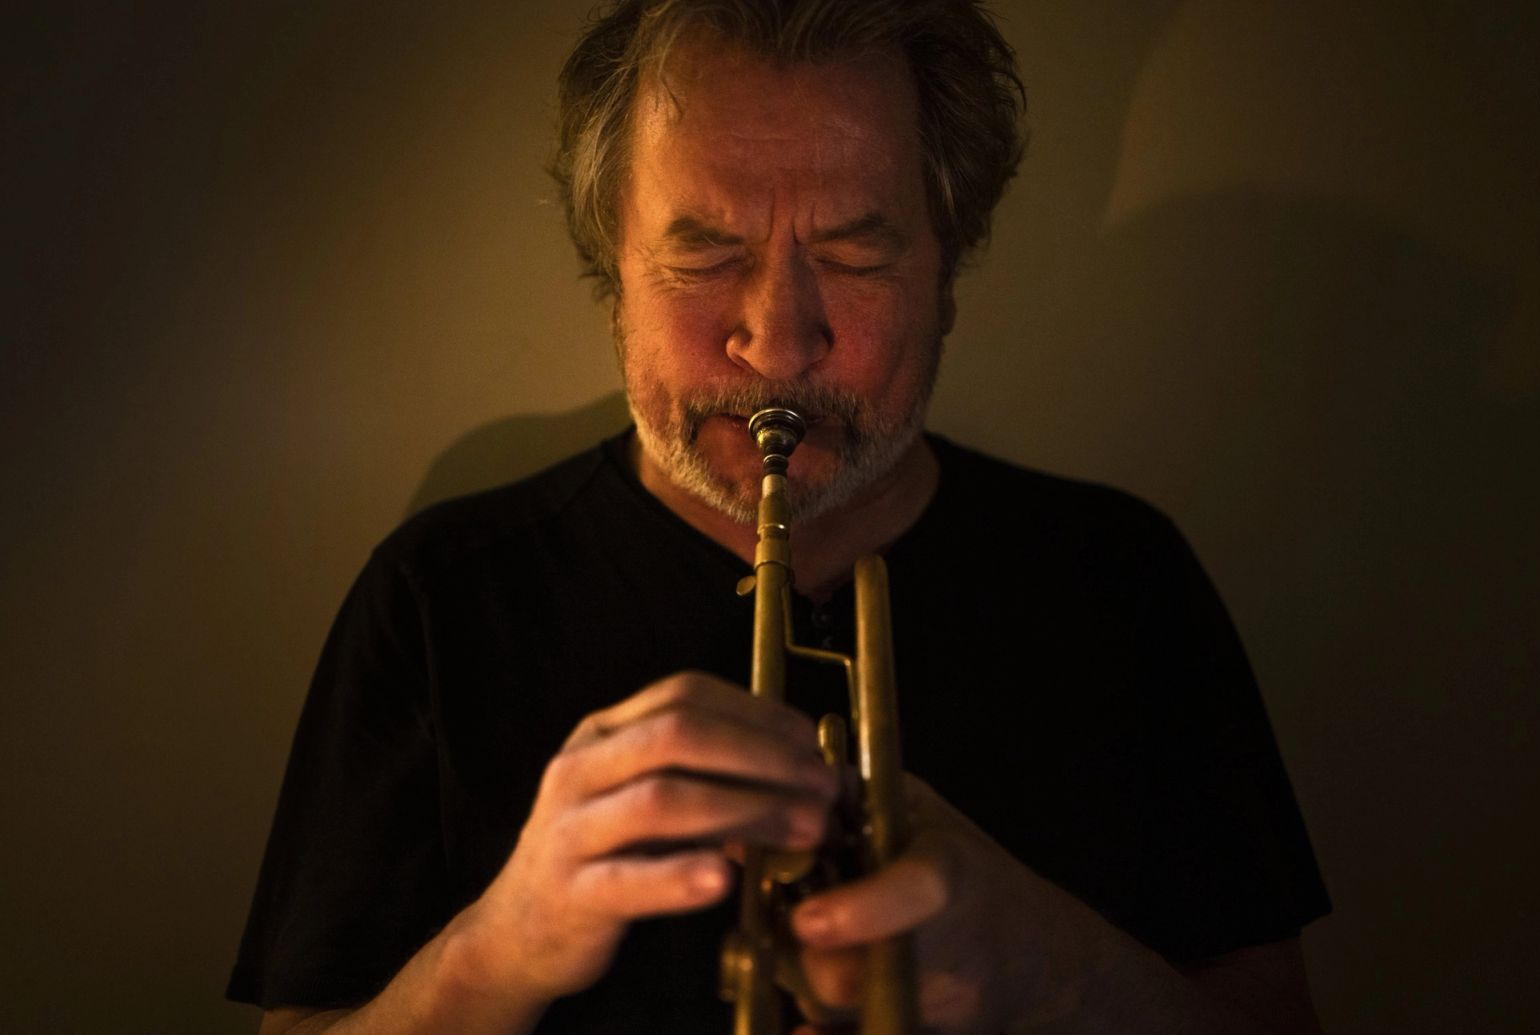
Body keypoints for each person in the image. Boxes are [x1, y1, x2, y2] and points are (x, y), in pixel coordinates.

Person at [229, 1, 1330, 1032]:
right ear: (612, 276)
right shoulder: (435, 596)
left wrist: (1044, 959)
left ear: (946, 277)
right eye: (704, 252)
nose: (778, 340)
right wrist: (501, 947)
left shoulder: (1125, 578)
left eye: (854, 254)